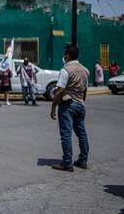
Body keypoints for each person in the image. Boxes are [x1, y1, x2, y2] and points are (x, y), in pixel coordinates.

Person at [50, 44, 90, 172]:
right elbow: (85, 90)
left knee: (66, 134)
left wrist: (53, 107)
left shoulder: (65, 70)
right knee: (81, 133)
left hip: (68, 105)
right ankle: (83, 160)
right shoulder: (85, 70)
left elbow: (60, 90)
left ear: (67, 56)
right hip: (80, 104)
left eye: (64, 55)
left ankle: (67, 163)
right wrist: (81, 102)